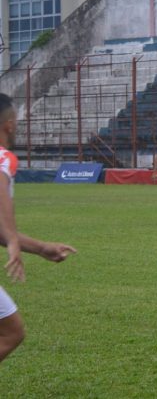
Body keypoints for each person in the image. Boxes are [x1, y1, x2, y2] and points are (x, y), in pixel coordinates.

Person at [0, 93, 77, 363]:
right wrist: (12, 242)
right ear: (9, 125)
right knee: (11, 333)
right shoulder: (4, 158)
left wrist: (41, 248)